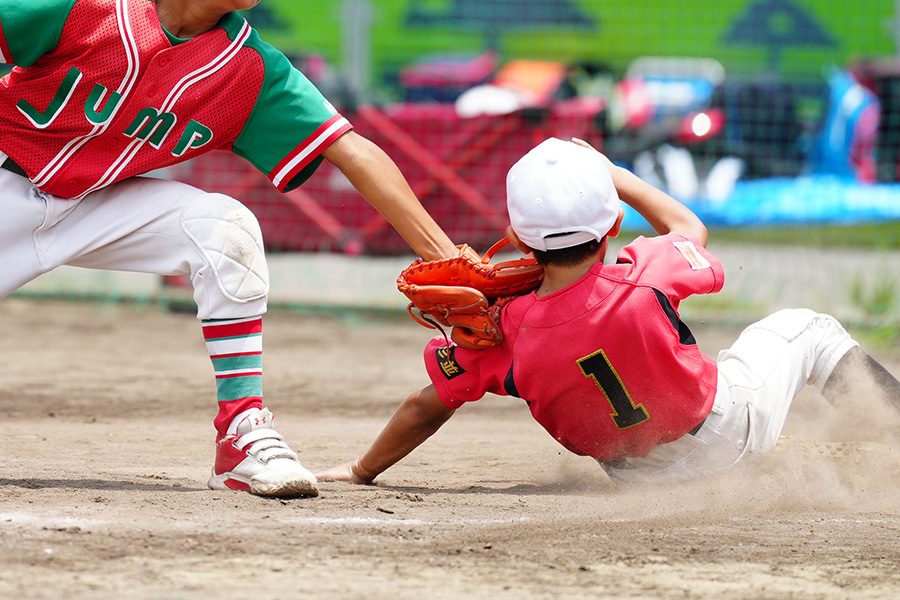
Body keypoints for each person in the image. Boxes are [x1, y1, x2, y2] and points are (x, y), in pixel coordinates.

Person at [0, 0, 458, 498]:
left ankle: (241, 435)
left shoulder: (249, 67)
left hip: (92, 208)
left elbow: (352, 150)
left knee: (223, 229)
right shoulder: (86, 6)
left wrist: (446, 258)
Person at [316, 136, 900, 487]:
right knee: (809, 329)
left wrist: (363, 469)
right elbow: (689, 229)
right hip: (727, 436)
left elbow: (426, 407)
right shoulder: (645, 273)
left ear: (519, 237)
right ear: (614, 225)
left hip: (636, 479)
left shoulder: (503, 332)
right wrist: (617, 176)